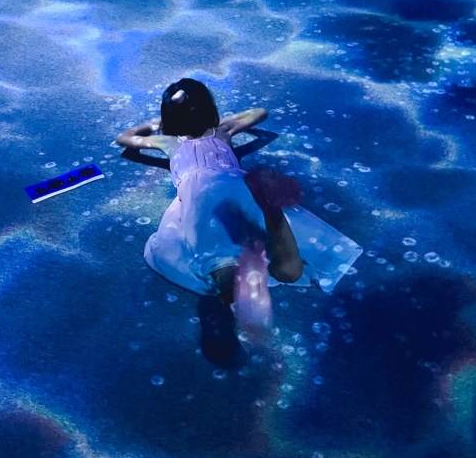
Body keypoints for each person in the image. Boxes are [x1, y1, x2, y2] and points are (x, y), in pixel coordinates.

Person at [116, 79, 363, 363]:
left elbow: (126, 140)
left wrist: (157, 122)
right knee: (256, 231)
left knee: (215, 247)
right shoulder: (221, 131)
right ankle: (275, 240)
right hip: (236, 182)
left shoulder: (173, 140)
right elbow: (259, 114)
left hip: (198, 190)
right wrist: (218, 119)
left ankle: (234, 299)